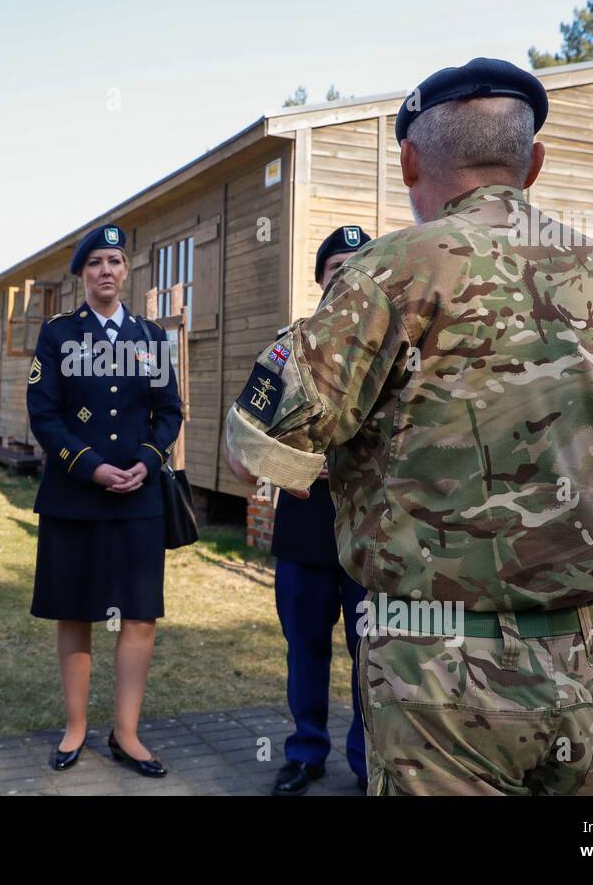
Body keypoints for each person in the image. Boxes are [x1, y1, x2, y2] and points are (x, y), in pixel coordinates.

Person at [225, 58, 593, 796]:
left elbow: (257, 452)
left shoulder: (386, 271)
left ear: (408, 160)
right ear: (532, 163)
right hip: (586, 664)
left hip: (440, 678)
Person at [26, 223, 183, 777]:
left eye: (114, 261)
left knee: (139, 615)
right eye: (95, 263)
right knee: (76, 611)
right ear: (82, 275)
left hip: (139, 497)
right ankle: (75, 727)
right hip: (75, 495)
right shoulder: (58, 335)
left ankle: (128, 732)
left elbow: (169, 412)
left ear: (128, 270)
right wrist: (91, 468)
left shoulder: (151, 336)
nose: (106, 271)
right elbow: (43, 414)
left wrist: (147, 458)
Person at [269, 226, 370, 797]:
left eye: (360, 266)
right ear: (319, 280)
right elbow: (244, 447)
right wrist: (302, 468)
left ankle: (365, 760)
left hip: (370, 538)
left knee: (369, 655)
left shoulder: (400, 356)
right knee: (305, 649)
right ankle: (305, 751)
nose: (348, 278)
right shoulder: (287, 351)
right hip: (305, 532)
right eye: (337, 268)